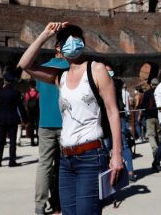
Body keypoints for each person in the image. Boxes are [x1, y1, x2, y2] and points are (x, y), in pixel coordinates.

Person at [18, 22, 123, 215]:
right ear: (59, 48)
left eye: (78, 39)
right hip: (66, 158)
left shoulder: (96, 69)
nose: (73, 44)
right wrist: (45, 34)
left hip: (91, 156)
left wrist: (117, 154)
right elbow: (24, 64)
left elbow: (112, 111)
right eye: (67, 41)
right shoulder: (61, 76)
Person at [33, 43, 69, 215]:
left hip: (45, 123)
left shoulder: (43, 68)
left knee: (44, 165)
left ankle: (40, 205)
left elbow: (40, 91)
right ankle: (60, 202)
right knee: (64, 165)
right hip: (65, 124)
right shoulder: (71, 67)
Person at [105, 64, 135, 183]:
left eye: (109, 71)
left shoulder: (116, 82)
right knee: (107, 146)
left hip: (119, 115)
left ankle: (130, 171)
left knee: (124, 144)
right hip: (106, 118)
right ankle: (109, 172)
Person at [0, 73, 26, 167]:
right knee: (12, 141)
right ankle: (12, 161)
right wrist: (25, 119)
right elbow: (20, 107)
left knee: (0, 140)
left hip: (1, 119)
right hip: (12, 118)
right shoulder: (15, 92)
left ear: (4, 81)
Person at [141, 79, 160, 157]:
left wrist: (144, 114)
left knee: (151, 135)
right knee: (159, 134)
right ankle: (160, 149)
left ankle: (155, 148)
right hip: (159, 115)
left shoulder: (147, 93)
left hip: (149, 117)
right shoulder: (159, 92)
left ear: (151, 84)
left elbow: (143, 106)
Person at [24, 82, 40, 147]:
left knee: (31, 127)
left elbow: (26, 102)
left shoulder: (27, 94)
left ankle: (32, 141)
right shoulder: (38, 94)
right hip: (37, 112)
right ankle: (38, 141)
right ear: (35, 87)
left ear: (30, 87)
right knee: (37, 127)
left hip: (30, 113)